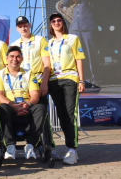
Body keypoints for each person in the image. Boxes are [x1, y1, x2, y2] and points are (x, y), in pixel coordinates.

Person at [0, 46, 46, 160]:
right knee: (2, 107)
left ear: (22, 59)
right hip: (9, 107)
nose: (14, 59)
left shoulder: (29, 73)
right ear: (6, 58)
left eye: (17, 57)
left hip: (26, 105)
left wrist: (28, 104)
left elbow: (35, 95)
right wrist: (13, 106)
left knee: (40, 107)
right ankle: (10, 147)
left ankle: (31, 145)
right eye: (11, 56)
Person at [48, 13, 85, 165]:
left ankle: (73, 149)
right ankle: (69, 149)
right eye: (53, 21)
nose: (56, 23)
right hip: (54, 81)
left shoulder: (73, 38)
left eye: (59, 20)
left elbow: (79, 59)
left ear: (63, 23)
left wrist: (81, 80)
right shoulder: (48, 43)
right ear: (51, 25)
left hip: (70, 78)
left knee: (70, 114)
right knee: (62, 115)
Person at [63, 0, 98, 86]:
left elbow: (95, 2)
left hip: (87, 27)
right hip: (75, 28)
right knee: (77, 55)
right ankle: (83, 78)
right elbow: (65, 4)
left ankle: (95, 78)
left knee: (90, 53)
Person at [10, 16, 51, 102]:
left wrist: (44, 83)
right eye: (20, 27)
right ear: (17, 29)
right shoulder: (14, 45)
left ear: (29, 25)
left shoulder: (40, 40)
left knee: (40, 111)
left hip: (38, 80)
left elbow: (47, 64)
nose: (23, 28)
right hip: (22, 83)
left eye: (25, 26)